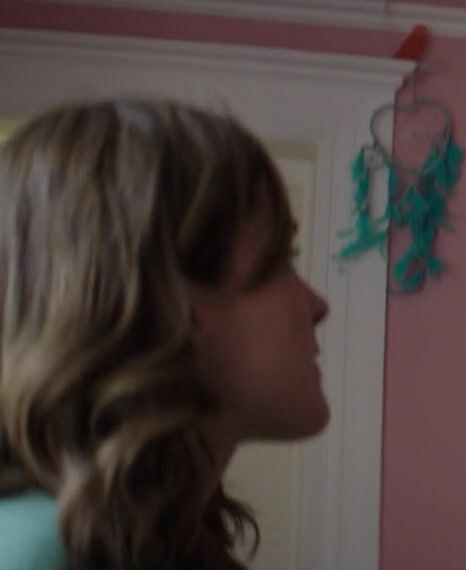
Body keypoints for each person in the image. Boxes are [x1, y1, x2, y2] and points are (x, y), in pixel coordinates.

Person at [0, 99, 330, 569]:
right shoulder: (45, 553)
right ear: (170, 298)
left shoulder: (157, 535)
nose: (318, 306)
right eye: (279, 259)